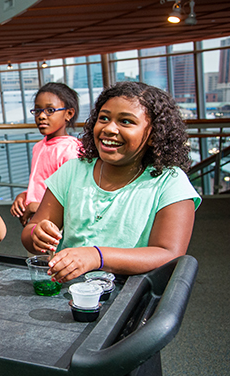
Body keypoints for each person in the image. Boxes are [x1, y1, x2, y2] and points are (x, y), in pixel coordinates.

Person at [21, 81, 201, 283]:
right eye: (104, 118)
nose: (109, 128)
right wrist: (37, 234)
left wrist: (96, 256)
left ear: (153, 134)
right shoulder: (72, 171)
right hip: (70, 291)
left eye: (126, 122)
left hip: (130, 297)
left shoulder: (170, 183)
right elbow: (31, 231)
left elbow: (169, 254)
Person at [10, 83, 81, 226]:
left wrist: (37, 206)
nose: (41, 116)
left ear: (69, 113)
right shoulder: (39, 146)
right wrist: (26, 195)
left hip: (56, 226)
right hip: (38, 222)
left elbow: (74, 198)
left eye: (50, 110)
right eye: (37, 110)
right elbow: (43, 184)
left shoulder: (71, 150)